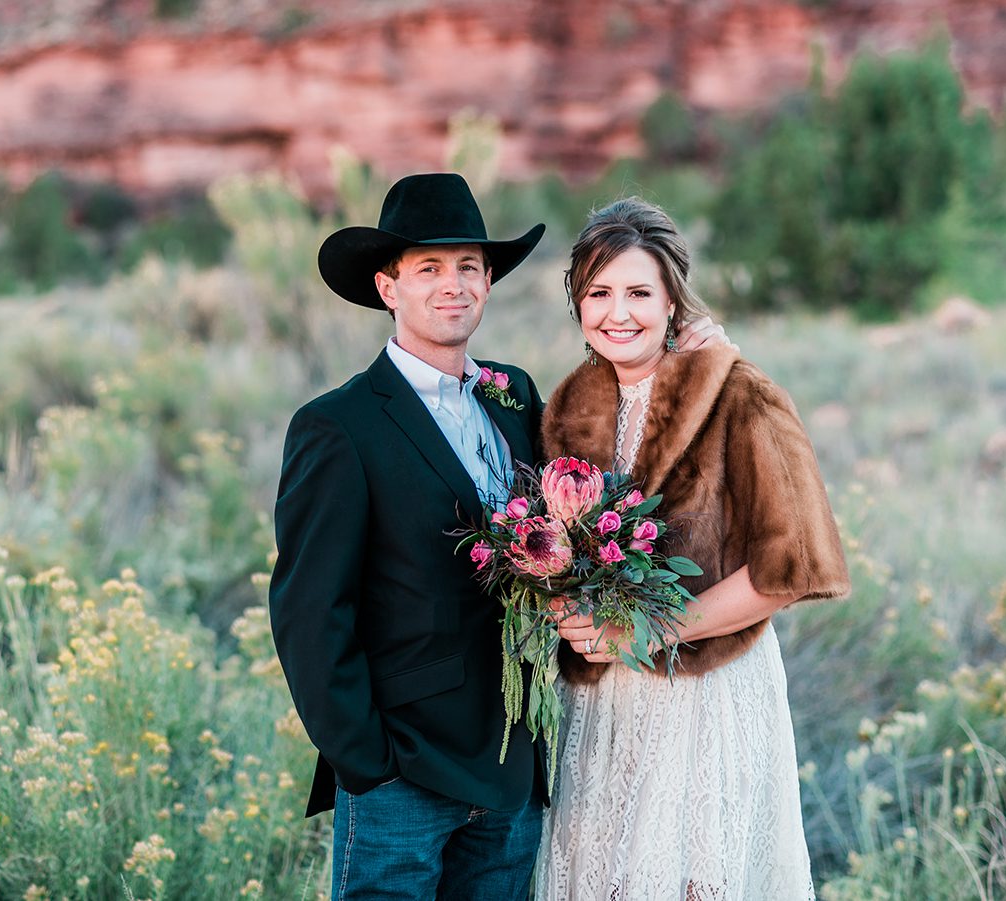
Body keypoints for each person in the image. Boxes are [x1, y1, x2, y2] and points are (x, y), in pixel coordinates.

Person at [269, 173, 732, 899]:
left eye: (468, 267)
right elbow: (307, 614)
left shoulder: (512, 393)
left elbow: (602, 489)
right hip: (404, 774)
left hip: (514, 766)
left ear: (487, 283)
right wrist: (369, 762)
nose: (452, 285)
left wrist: (682, 367)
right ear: (389, 287)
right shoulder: (339, 426)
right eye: (429, 268)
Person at [534, 197, 851, 900]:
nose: (619, 312)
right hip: (603, 708)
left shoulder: (740, 393)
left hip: (705, 693)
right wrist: (565, 607)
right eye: (600, 292)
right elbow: (554, 552)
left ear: (673, 298)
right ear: (578, 303)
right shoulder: (566, 408)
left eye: (640, 292)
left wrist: (646, 628)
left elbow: (788, 570)